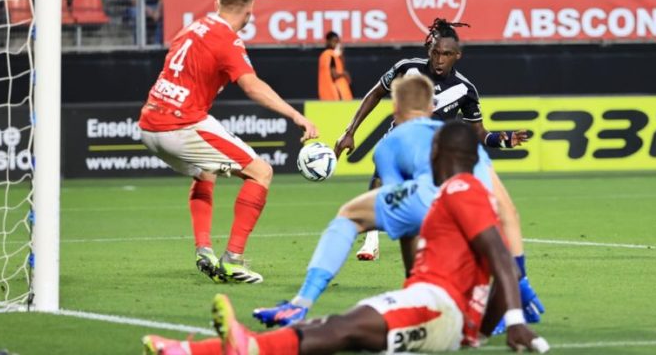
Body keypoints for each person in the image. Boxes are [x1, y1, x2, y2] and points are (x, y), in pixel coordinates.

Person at [141, 121, 550, 355]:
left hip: (437, 307)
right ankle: (190, 351)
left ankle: (231, 350)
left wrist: (509, 322)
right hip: (441, 310)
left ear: (439, 152)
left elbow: (499, 255)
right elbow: (505, 267)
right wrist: (480, 330)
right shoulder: (455, 196)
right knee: (335, 327)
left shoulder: (461, 190)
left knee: (344, 329)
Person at [252, 75, 515, 327]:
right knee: (474, 238)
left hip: (427, 199)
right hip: (474, 203)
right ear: (431, 106)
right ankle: (505, 310)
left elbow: (400, 212)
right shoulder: (463, 138)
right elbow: (504, 206)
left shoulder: (391, 143)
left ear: (396, 106)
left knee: (350, 214)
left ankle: (301, 302)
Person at [138, 0, 318, 284]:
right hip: (180, 124)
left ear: (217, 2)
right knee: (261, 172)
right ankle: (233, 260)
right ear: (249, 10)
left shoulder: (192, 27)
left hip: (148, 123)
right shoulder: (227, 39)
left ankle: (204, 250)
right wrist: (295, 115)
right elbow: (252, 86)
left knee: (205, 172)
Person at [337, 18, 527, 268]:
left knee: (431, 213)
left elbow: (478, 132)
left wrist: (503, 140)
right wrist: (350, 130)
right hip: (398, 143)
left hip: (432, 153)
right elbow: (375, 93)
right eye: (435, 52)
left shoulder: (465, 89)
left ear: (457, 55)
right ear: (429, 49)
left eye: (446, 54)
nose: (439, 59)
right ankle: (372, 240)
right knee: (381, 180)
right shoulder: (408, 68)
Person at [317, 31, 353, 101]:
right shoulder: (330, 54)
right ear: (328, 41)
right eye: (334, 41)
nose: (336, 44)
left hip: (325, 95)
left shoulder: (324, 55)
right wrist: (344, 74)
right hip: (334, 95)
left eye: (338, 42)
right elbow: (334, 74)